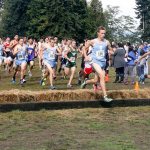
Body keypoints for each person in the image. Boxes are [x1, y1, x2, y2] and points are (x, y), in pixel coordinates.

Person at [84, 26, 113, 102]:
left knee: (96, 80)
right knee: (102, 76)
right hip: (94, 61)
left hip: (102, 63)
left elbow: (111, 50)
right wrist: (86, 56)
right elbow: (84, 48)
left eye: (104, 33)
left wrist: (112, 52)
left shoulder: (107, 42)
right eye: (102, 33)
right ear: (98, 33)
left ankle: (85, 82)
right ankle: (105, 96)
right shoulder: (93, 41)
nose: (103, 34)